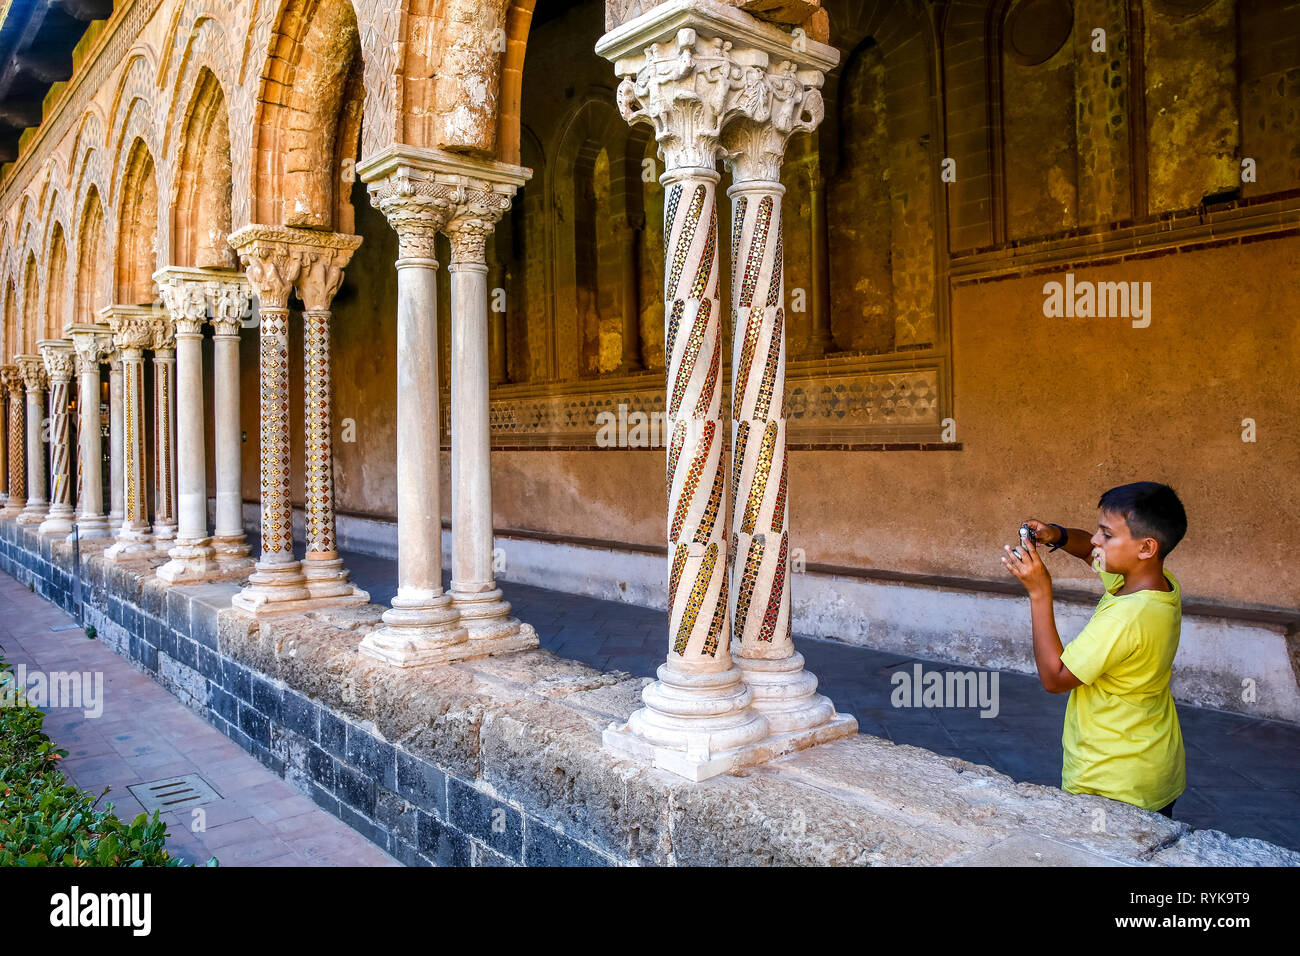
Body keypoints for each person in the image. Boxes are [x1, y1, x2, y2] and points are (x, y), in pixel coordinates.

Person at [1001, 481, 1188, 818]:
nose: (1096, 540)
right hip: (1151, 764)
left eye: (1107, 534)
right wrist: (1056, 535)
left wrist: (1040, 592)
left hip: (1112, 782)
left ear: (1146, 547)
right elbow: (1089, 552)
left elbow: (1055, 678)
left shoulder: (1127, 617)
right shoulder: (1154, 582)